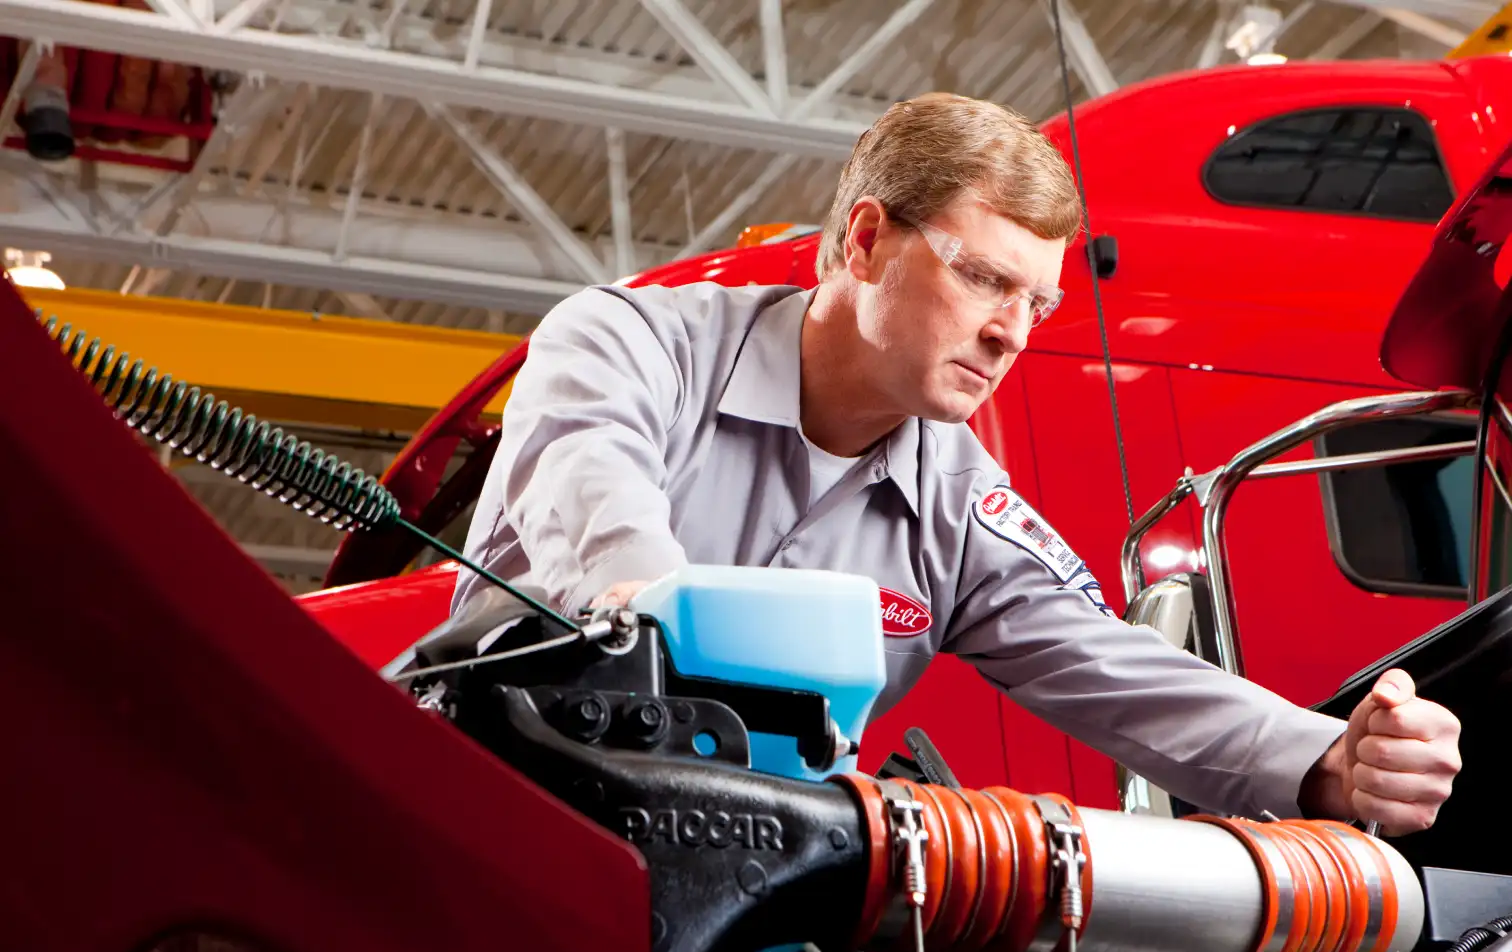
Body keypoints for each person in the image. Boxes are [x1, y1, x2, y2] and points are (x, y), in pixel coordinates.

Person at [454, 92, 1461, 835]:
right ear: (864, 240)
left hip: (739, 871)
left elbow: (1115, 667)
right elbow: (607, 526)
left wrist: (1329, 758)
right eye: (984, 279)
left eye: (1039, 305)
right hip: (495, 819)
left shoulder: (958, 501)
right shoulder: (626, 344)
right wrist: (656, 608)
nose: (1012, 333)